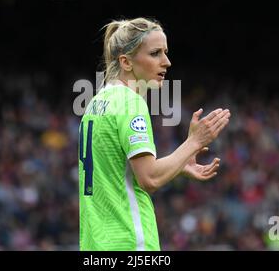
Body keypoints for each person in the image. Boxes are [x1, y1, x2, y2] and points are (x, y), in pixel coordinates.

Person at [79, 17, 231, 250]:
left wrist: (180, 164)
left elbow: (124, 173)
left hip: (95, 244)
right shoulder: (131, 103)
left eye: (166, 52)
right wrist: (194, 142)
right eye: (155, 53)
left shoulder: (96, 103)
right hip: (128, 241)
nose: (166, 62)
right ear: (126, 62)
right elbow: (149, 178)